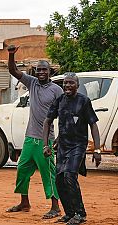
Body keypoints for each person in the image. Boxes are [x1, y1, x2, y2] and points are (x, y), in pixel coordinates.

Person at [6, 45, 62, 219]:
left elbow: (65, 115)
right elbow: (13, 70)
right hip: (30, 138)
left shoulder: (56, 90)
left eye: (44, 70)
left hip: (45, 140)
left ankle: (55, 207)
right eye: (38, 70)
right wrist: (11, 55)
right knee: (22, 169)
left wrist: (59, 138)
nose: (41, 73)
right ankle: (24, 202)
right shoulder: (32, 83)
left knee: (48, 173)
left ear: (50, 72)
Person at [43, 73, 101, 225]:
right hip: (62, 146)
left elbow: (93, 125)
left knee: (69, 175)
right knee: (59, 180)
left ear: (77, 85)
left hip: (78, 145)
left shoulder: (84, 101)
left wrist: (97, 149)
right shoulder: (60, 100)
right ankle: (69, 213)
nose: (67, 85)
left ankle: (80, 213)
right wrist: (45, 145)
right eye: (65, 83)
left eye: (71, 83)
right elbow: (47, 121)